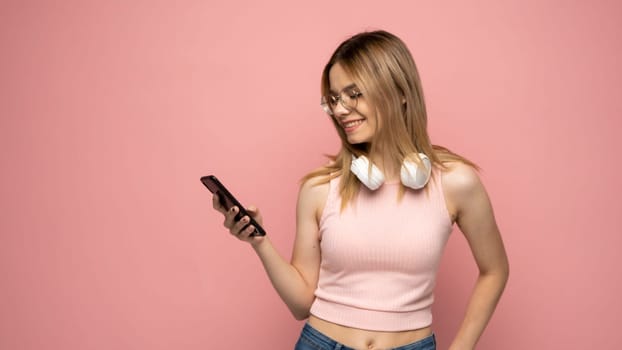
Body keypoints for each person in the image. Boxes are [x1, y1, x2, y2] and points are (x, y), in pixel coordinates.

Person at [212, 30, 509, 350]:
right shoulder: (319, 189)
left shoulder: (455, 182)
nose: (340, 110)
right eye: (335, 99)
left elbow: (495, 270)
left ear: (399, 92)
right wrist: (259, 241)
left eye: (354, 94)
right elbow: (301, 305)